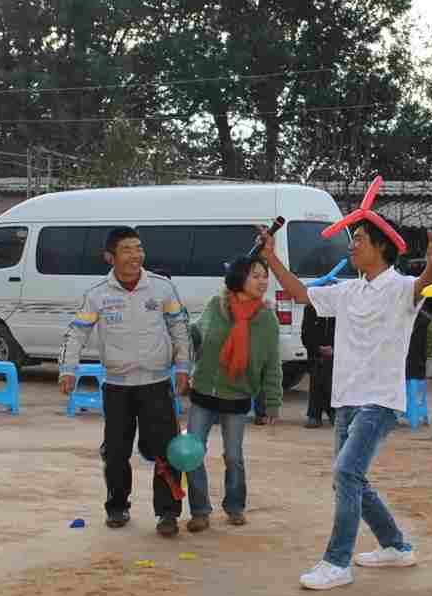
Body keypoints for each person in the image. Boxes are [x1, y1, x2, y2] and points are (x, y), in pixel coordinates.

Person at [261, 203, 432, 591]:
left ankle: (337, 562)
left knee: (346, 474)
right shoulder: (348, 290)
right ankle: (395, 546)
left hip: (379, 401)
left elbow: (423, 286)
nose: (351, 246)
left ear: (381, 246)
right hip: (346, 397)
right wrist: (272, 258)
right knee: (350, 479)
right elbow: (300, 294)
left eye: (359, 239)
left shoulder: (400, 288)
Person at [58, 227, 193, 536]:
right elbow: (77, 332)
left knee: (166, 450)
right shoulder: (97, 295)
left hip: (157, 383)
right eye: (127, 250)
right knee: (116, 451)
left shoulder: (162, 288)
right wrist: (68, 369)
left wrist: (184, 366)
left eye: (139, 248)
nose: (136, 256)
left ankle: (168, 513)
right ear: (110, 257)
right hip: (117, 387)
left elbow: (180, 328)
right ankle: (117, 507)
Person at [181, 254, 282, 532]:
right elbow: (196, 334)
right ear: (239, 278)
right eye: (256, 276)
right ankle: (200, 511)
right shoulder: (215, 306)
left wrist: (273, 402)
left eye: (265, 276)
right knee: (192, 453)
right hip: (204, 392)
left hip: (237, 397)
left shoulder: (267, 319)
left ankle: (235, 506)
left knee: (233, 457)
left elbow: (272, 365)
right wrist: (180, 329)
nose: (263, 281)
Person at [302, 301, 336, 428]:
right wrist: (318, 348)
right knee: (318, 370)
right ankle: (315, 414)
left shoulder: (340, 306)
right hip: (316, 354)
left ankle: (330, 411)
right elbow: (305, 335)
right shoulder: (310, 309)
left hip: (336, 354)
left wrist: (334, 349)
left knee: (330, 378)